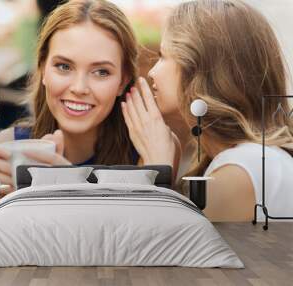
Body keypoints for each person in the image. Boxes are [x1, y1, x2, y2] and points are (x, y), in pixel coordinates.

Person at [122, 0, 293, 221]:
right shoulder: (254, 160)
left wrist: (158, 170)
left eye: (164, 56)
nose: (152, 72)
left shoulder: (239, 172)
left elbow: (155, 251)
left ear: (200, 68)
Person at [0, 0, 140, 200]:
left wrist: (69, 191)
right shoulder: (9, 148)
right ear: (42, 69)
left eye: (101, 72)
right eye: (64, 66)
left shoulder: (144, 156)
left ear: (122, 82)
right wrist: (1, 205)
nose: (79, 88)